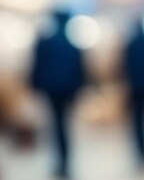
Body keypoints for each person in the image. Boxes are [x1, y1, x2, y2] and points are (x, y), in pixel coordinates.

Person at [30, 11, 86, 179]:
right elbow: (80, 69)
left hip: (52, 90)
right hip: (66, 90)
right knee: (63, 126)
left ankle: (61, 162)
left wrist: (35, 86)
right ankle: (64, 162)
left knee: (56, 126)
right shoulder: (72, 44)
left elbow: (37, 66)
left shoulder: (46, 42)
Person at [123, 19, 144, 170]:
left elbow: (125, 66)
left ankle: (140, 153)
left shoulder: (131, 44)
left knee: (137, 122)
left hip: (135, 87)